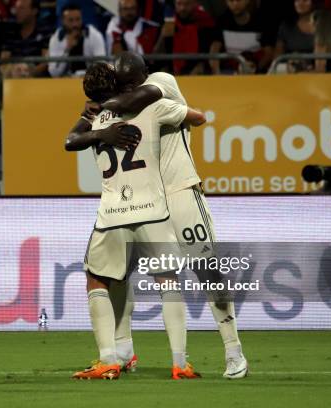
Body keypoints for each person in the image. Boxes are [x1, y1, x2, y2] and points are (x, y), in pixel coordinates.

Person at [72, 52, 249, 379]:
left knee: (205, 269)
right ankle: (122, 347)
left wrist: (105, 103)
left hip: (180, 191)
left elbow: (141, 98)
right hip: (144, 198)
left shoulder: (160, 83)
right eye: (121, 85)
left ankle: (233, 350)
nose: (129, 89)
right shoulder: (123, 105)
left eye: (130, 84)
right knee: (119, 273)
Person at [209, 0, 276, 74]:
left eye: (238, 0)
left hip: (256, 74)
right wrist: (217, 72)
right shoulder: (222, 21)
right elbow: (214, 49)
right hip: (230, 74)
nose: (235, 4)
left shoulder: (261, 21)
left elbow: (269, 53)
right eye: (231, 1)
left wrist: (255, 68)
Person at [153, 0, 216, 75]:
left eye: (187, 4)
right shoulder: (168, 22)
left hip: (198, 71)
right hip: (173, 72)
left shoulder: (205, 21)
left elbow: (208, 52)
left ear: (194, 3)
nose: (182, 8)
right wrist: (162, 37)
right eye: (179, 4)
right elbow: (155, 56)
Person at [47, 2, 106, 78]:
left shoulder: (94, 35)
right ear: (63, 21)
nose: (75, 24)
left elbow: (101, 66)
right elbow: (54, 73)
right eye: (70, 20)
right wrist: (67, 50)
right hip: (65, 82)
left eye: (78, 19)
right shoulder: (56, 39)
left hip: (90, 80)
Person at [0, 0, 51, 77]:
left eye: (21, 8)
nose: (16, 12)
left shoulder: (45, 31)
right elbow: (4, 60)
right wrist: (10, 73)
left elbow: (45, 61)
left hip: (35, 74)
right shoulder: (10, 31)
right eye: (16, 8)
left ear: (34, 11)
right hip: (13, 74)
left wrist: (28, 74)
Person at [273, 0, 315, 73]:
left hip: (315, 74)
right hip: (289, 72)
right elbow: (277, 57)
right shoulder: (286, 25)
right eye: (297, 0)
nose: (300, 3)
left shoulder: (323, 25)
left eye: (305, 0)